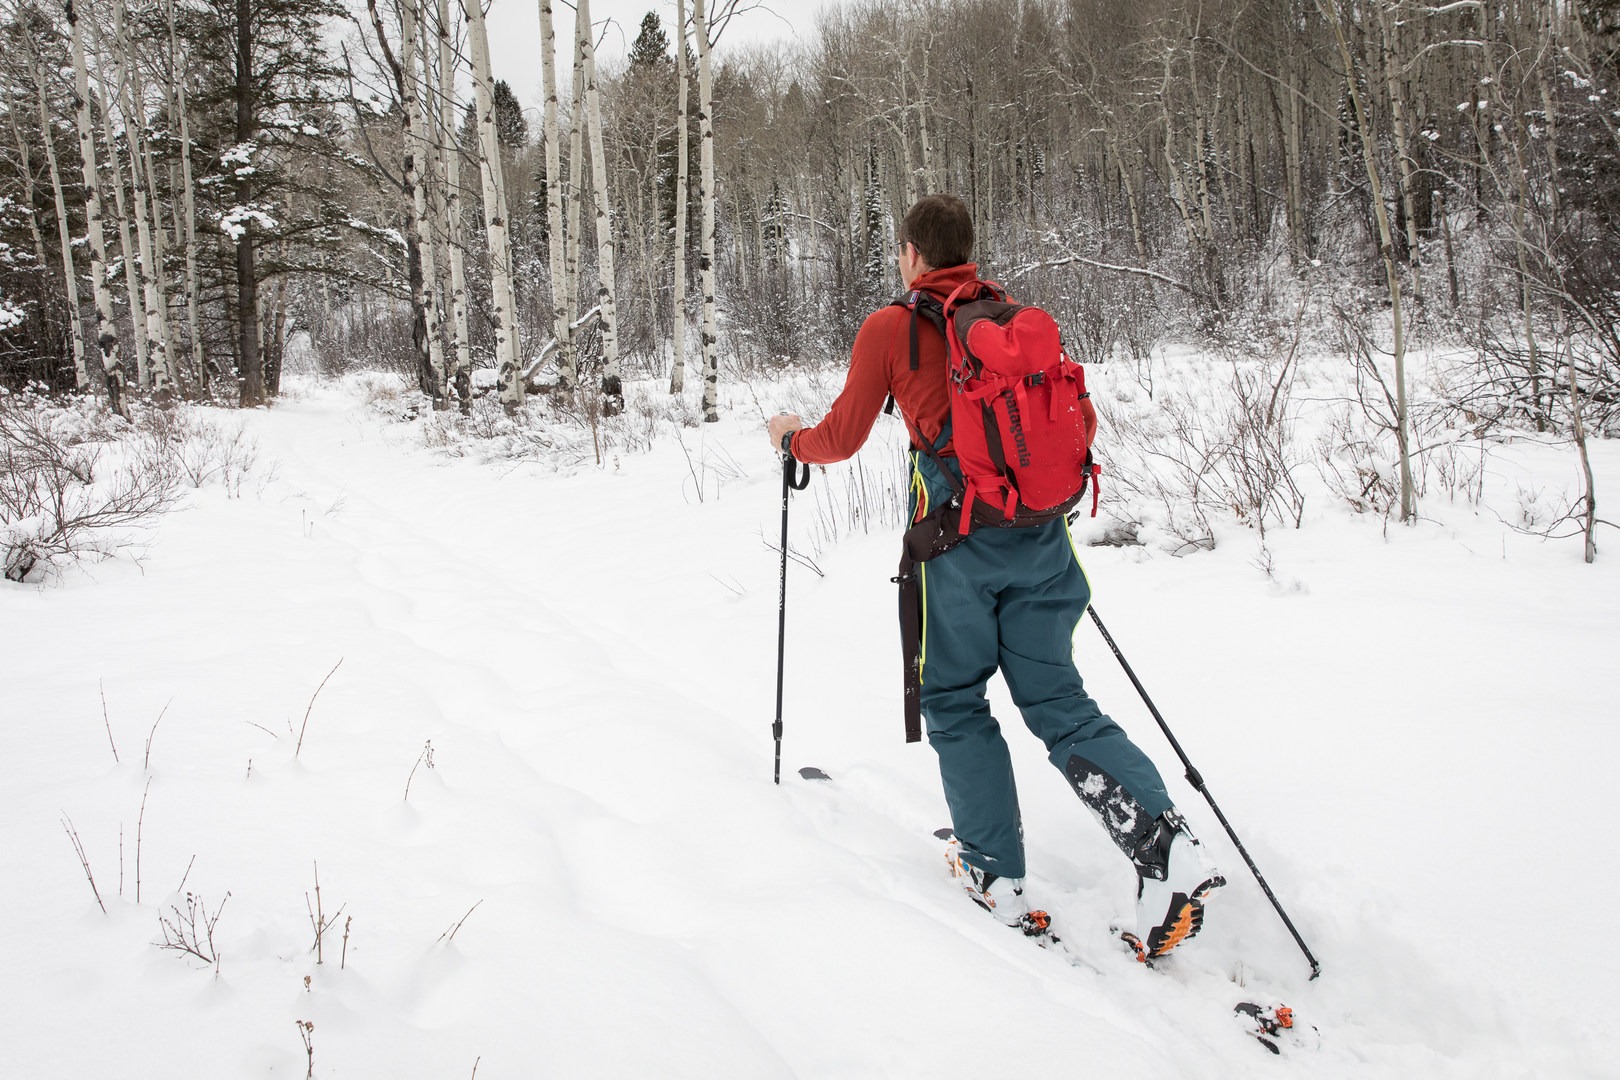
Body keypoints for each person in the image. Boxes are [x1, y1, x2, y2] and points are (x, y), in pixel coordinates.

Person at [767, 194, 1223, 959]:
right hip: (1044, 542)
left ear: (912, 254)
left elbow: (839, 439)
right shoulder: (1013, 322)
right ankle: (1165, 848)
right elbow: (1075, 427)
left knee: (953, 697)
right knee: (1060, 702)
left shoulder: (892, 327)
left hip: (958, 553)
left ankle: (995, 873)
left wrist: (788, 439)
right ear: (967, 252)